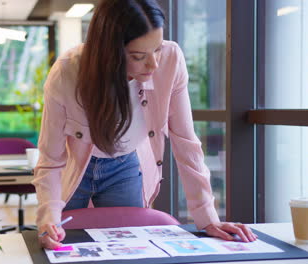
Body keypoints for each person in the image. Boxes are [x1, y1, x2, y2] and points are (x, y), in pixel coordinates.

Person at [32, 0, 257, 249]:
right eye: (139, 56)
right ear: (110, 54)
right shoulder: (67, 72)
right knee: (63, 245)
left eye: (157, 49)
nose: (154, 64)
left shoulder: (171, 61)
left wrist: (207, 218)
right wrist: (47, 221)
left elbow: (186, 142)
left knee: (129, 247)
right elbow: (51, 159)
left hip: (125, 166)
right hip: (75, 169)